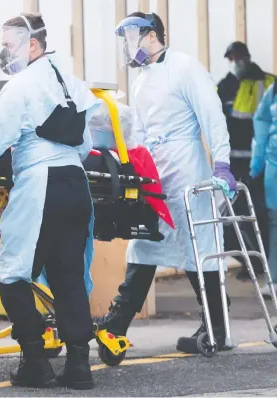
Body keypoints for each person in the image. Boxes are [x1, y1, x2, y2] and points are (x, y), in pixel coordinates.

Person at [0, 13, 100, 390]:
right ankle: (78, 365)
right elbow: (86, 145)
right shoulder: (70, 83)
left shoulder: (21, 85)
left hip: (42, 185)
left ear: (31, 44)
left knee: (11, 273)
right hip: (77, 184)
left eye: (9, 45)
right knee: (68, 274)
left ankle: (36, 362)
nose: (3, 52)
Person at [96, 12, 236, 354]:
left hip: (187, 169)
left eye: (133, 38)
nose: (129, 47)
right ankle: (116, 325)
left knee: (197, 249)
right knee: (146, 242)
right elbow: (140, 131)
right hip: (156, 172)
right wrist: (136, 169)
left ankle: (217, 327)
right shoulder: (141, 80)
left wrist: (222, 163)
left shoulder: (185, 67)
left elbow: (211, 114)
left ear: (153, 36)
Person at [217, 42, 275, 281]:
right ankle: (252, 261)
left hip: (262, 163)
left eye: (238, 58)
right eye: (231, 58)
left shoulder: (269, 82)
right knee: (230, 216)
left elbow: (260, 125)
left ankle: (264, 263)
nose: (236, 63)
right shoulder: (225, 86)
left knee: (265, 217)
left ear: (247, 58)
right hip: (236, 163)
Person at [249, 79, 277, 298]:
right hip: (274, 166)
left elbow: (262, 125)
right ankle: (275, 278)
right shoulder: (273, 90)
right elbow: (262, 126)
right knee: (275, 221)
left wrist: (257, 164)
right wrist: (257, 163)